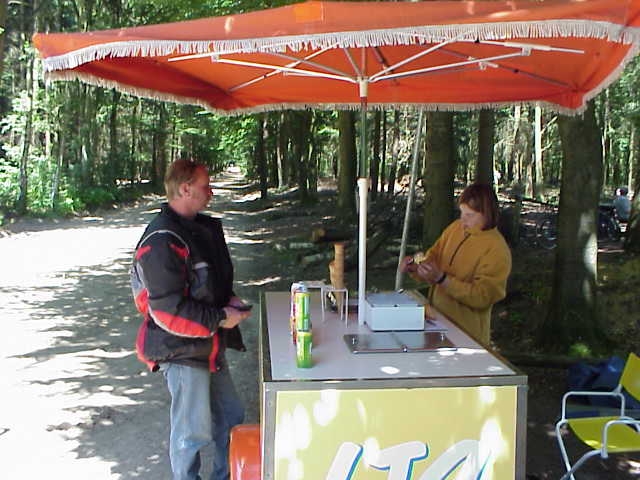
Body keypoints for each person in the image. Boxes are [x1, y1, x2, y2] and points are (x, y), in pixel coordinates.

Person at [130, 159, 252, 480]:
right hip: (181, 351)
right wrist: (220, 317)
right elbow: (167, 311)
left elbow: (207, 284)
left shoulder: (198, 229)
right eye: (205, 186)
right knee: (191, 433)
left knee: (231, 416)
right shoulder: (161, 240)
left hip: (208, 345)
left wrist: (229, 300)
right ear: (185, 189)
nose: (211, 192)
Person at [400, 183, 512, 346]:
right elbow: (432, 260)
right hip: (436, 323)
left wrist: (443, 279)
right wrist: (416, 268)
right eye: (461, 213)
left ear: (487, 214)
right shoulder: (455, 229)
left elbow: (483, 296)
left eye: (469, 215)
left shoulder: (497, 249)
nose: (463, 220)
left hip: (468, 336)